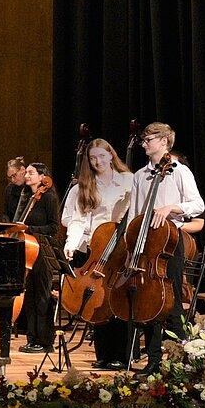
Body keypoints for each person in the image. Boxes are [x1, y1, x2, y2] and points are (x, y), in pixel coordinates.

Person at [127, 122, 205, 375]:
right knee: (149, 302)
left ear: (164, 141)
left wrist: (171, 207)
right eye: (144, 139)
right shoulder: (140, 175)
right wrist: (131, 245)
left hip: (170, 242)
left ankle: (182, 359)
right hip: (146, 243)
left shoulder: (180, 171)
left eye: (149, 139)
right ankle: (153, 360)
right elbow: (136, 213)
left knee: (171, 302)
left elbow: (197, 205)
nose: (144, 143)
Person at [60, 139, 133, 369]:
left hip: (120, 246)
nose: (97, 161)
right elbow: (78, 220)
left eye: (101, 156)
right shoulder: (85, 186)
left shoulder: (128, 181)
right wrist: (71, 244)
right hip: (95, 247)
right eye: (93, 158)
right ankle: (103, 354)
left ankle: (121, 355)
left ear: (111, 155)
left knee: (116, 297)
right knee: (97, 299)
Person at [16, 162, 61, 354]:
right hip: (28, 251)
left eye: (31, 172)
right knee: (30, 297)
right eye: (26, 172)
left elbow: (54, 227)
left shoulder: (49, 197)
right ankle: (32, 338)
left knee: (42, 297)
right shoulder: (27, 196)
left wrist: (30, 229)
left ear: (43, 177)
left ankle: (45, 341)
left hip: (42, 251)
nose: (27, 175)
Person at [4, 156, 27, 221]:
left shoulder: (32, 187)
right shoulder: (9, 189)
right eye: (10, 177)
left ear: (22, 170)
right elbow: (6, 213)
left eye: (14, 175)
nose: (12, 180)